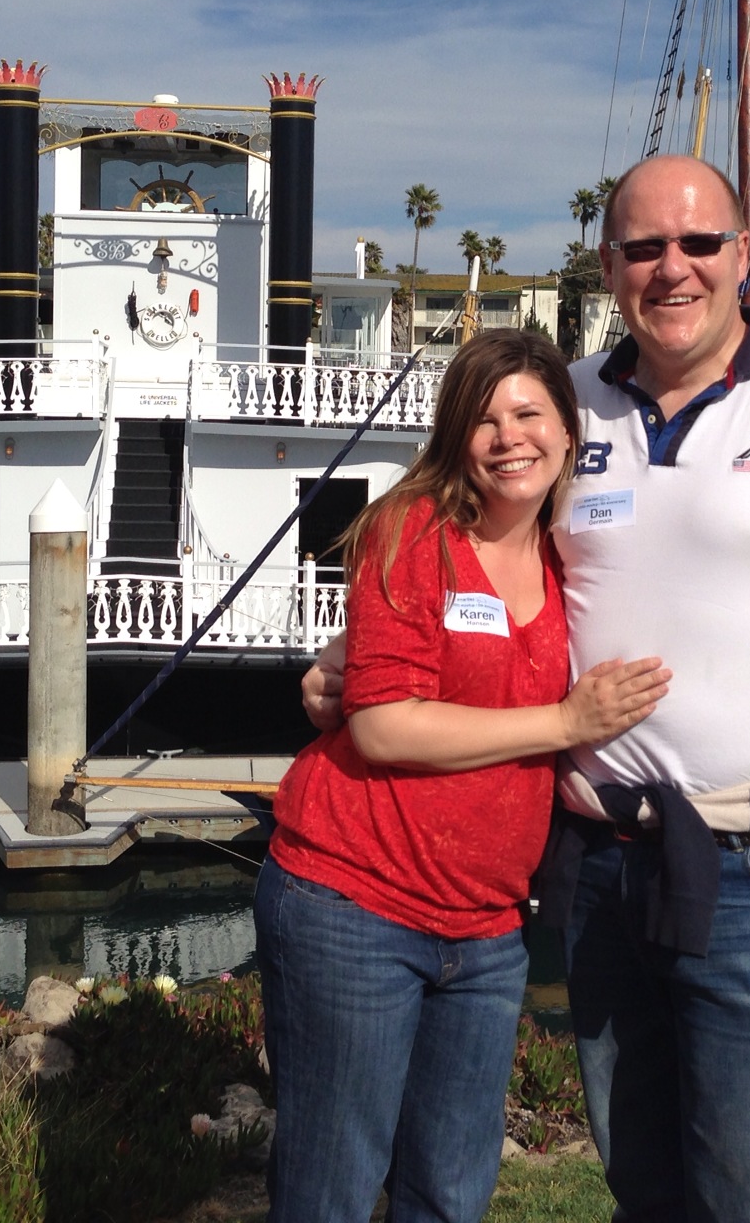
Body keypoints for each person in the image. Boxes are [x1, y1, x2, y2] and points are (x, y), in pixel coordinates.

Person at [306, 155, 750, 1223]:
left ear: (742, 255)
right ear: (609, 266)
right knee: (642, 1181)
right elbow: (464, 554)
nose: (673, 269)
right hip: (602, 868)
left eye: (698, 243)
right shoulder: (561, 411)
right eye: (643, 248)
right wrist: (358, 661)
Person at [259, 327, 671, 1223]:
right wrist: (565, 722)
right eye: (483, 419)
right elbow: (382, 725)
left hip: (486, 928)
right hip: (354, 903)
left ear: (568, 430)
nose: (507, 437)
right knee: (329, 1188)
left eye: (529, 413)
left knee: (451, 1192)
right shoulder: (416, 530)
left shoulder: (571, 558)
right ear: (454, 435)